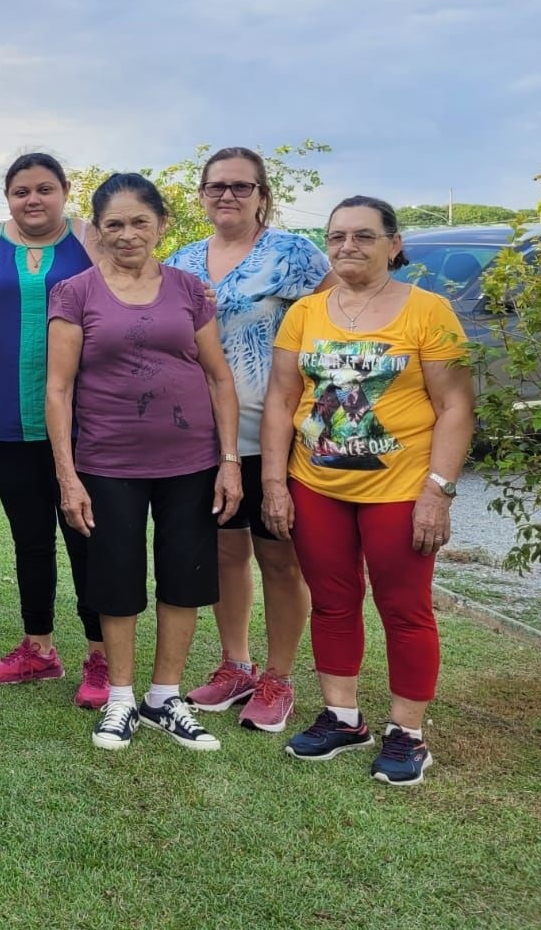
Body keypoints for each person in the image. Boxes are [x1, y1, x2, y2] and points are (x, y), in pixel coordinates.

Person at [262, 196, 473, 786]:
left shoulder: (429, 311)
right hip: (316, 484)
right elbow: (281, 399)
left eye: (363, 235)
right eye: (336, 237)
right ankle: (343, 717)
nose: (347, 246)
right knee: (332, 601)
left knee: (404, 608)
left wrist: (438, 491)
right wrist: (275, 482)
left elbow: (456, 406)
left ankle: (408, 732)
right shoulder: (305, 312)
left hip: (400, 488)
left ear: (393, 244)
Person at [46, 173, 243, 752]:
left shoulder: (189, 290)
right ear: (97, 230)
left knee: (184, 577)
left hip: (191, 462)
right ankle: (121, 697)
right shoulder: (75, 293)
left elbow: (218, 377)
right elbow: (58, 389)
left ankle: (165, 697)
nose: (127, 234)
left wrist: (229, 461)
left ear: (161, 225)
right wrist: (67, 476)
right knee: (116, 579)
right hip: (107, 462)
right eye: (115, 224)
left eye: (139, 222)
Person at [165, 148, 333, 733]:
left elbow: (336, 324)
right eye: (216, 186)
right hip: (203, 435)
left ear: (262, 194)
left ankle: (279, 676)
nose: (227, 196)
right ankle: (236, 664)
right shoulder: (181, 261)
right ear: (201, 195)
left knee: (279, 556)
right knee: (224, 551)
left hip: (273, 431)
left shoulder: (294, 255)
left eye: (241, 186)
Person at [0, 153, 108, 706]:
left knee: (87, 538)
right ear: (8, 198)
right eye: (21, 191)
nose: (33, 199)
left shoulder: (91, 239)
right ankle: (38, 649)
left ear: (65, 191)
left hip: (86, 420)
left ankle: (102, 657)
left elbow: (134, 293)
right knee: (30, 538)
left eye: (45, 189)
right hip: (6, 417)